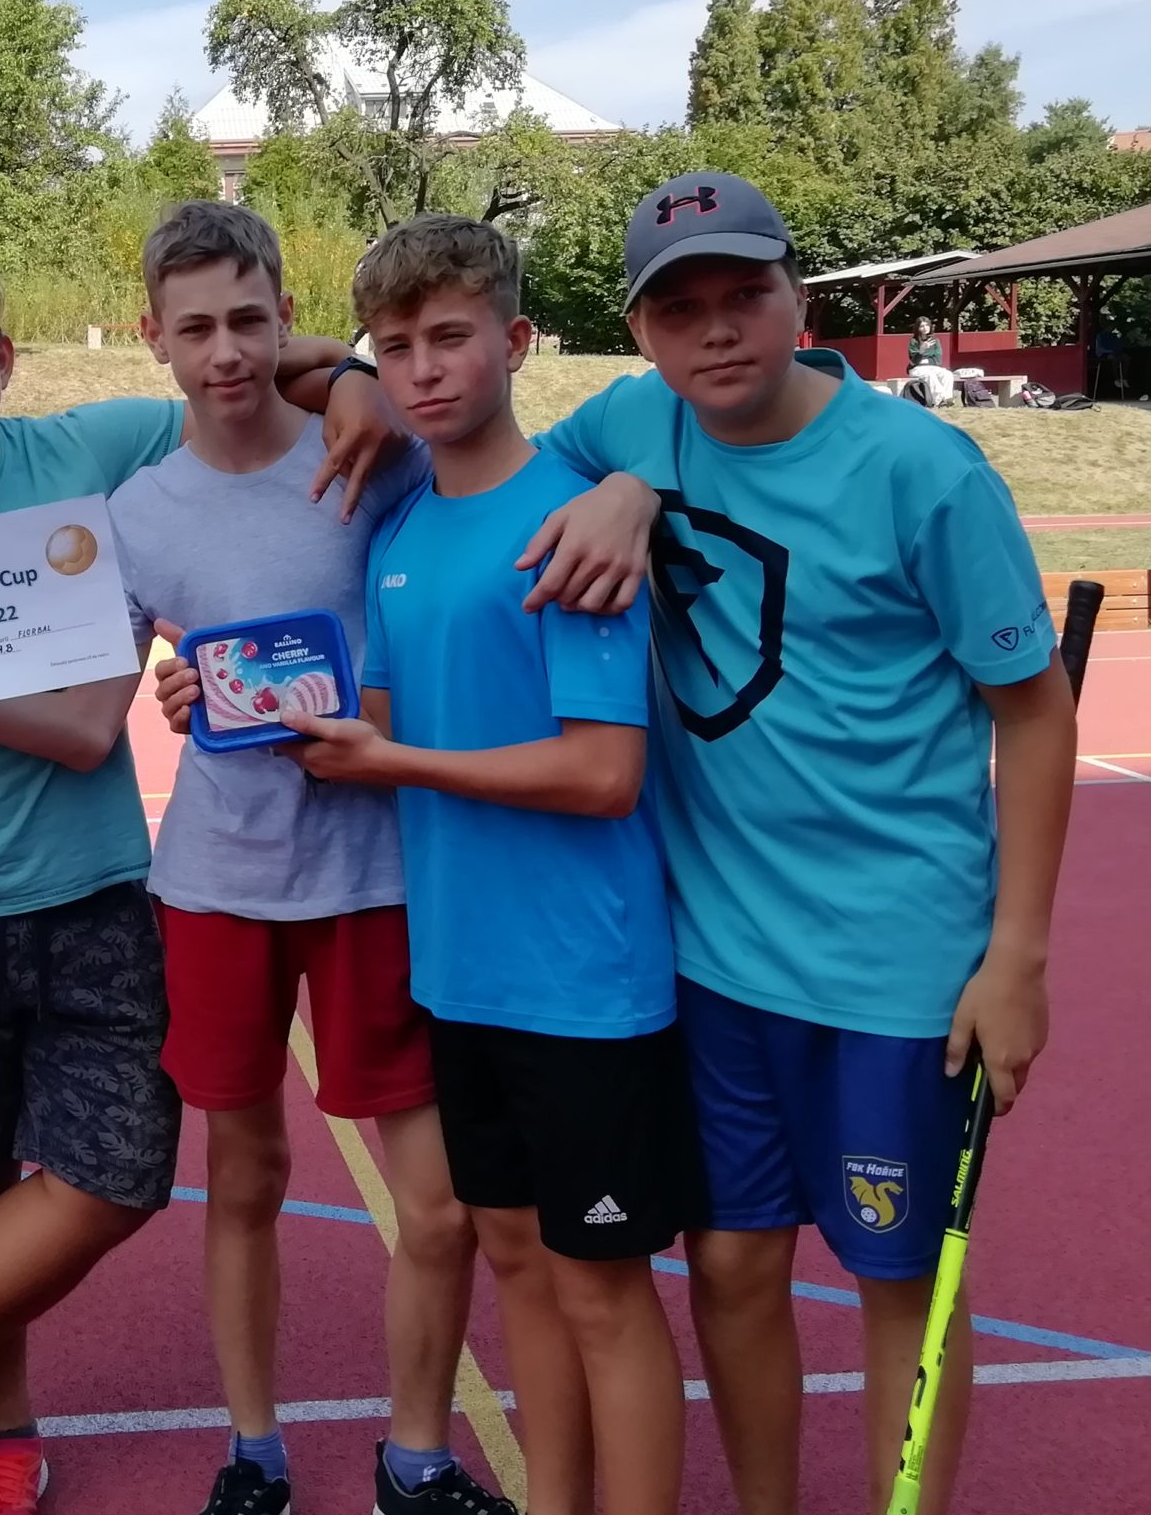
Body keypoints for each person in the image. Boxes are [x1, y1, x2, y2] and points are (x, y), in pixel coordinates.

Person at [0, 241, 402, 1515]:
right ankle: (1, 1435)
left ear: (5, 355)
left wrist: (359, 374)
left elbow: (250, 370)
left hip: (93, 892)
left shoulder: (94, 450)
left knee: (121, 1171)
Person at [517, 171, 1079, 1515]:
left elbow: (1034, 712)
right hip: (715, 958)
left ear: (797, 300)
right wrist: (620, 483)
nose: (717, 329)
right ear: (640, 332)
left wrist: (1017, 956)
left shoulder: (921, 472)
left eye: (745, 293)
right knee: (728, 1265)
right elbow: (473, 435)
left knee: (898, 1282)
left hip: (896, 967)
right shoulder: (632, 421)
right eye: (680, 309)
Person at [246, 213, 696, 1515]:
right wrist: (246, 709)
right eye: (396, 348)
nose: (425, 370)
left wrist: (393, 762)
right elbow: (375, 729)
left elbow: (602, 773)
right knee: (515, 1264)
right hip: (461, 974)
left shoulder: (570, 522)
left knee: (603, 1292)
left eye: (451, 338)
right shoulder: (402, 534)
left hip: (584, 983)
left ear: (516, 341)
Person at [110, 203, 485, 1515]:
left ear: (284, 318)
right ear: (153, 336)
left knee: (435, 1204)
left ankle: (415, 1456)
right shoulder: (138, 512)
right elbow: (95, 694)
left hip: (377, 871)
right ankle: (254, 1450)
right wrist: (177, 691)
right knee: (244, 1177)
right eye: (195, 328)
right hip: (219, 881)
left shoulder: (372, 454)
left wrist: (360, 374)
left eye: (248, 321)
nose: (224, 353)